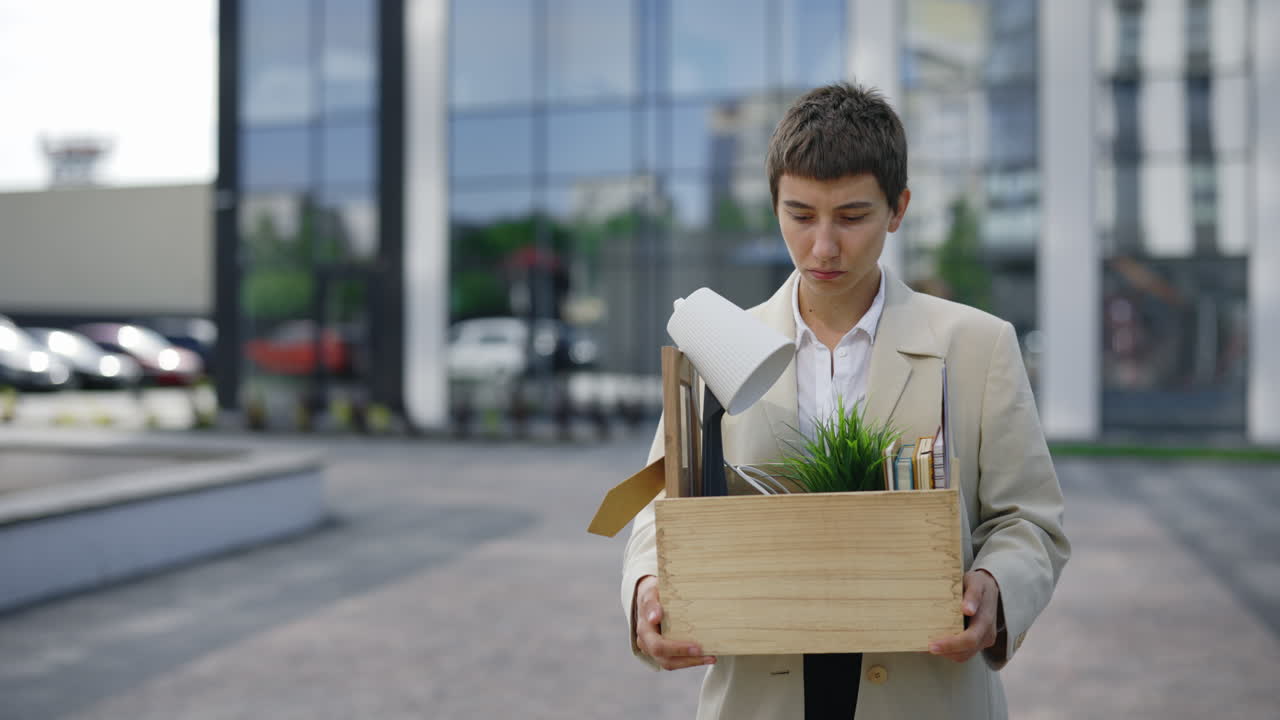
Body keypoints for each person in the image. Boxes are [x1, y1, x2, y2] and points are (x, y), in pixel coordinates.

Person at [620, 82, 1070, 719]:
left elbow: (1031, 521)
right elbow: (658, 510)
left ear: (898, 208)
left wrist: (997, 585)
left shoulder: (979, 346)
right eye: (800, 216)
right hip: (760, 696)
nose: (824, 247)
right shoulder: (713, 347)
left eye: (852, 217)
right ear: (773, 204)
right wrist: (645, 589)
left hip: (928, 694)